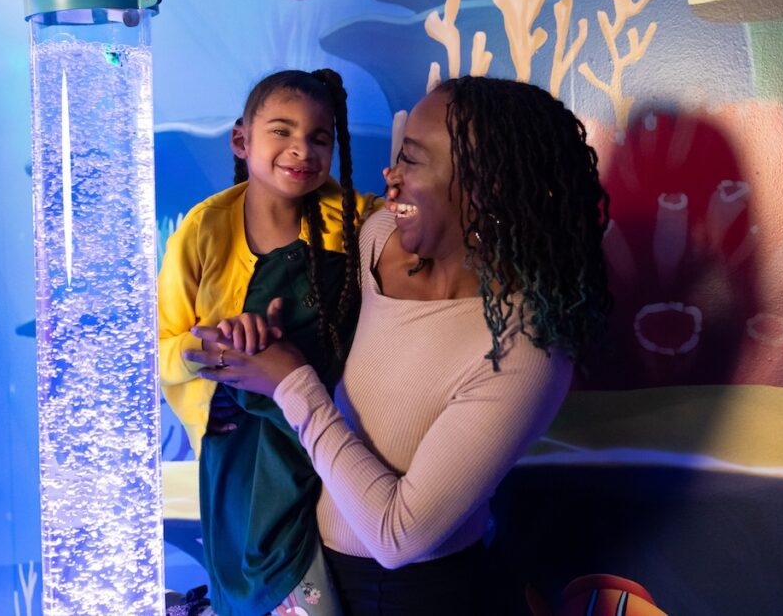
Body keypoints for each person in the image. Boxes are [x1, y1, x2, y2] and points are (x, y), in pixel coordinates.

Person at [185, 77, 613, 614]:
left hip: (416, 595)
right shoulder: (376, 240)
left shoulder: (526, 350)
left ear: (487, 188)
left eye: (411, 161)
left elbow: (397, 536)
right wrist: (265, 336)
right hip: (311, 564)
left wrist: (291, 382)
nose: (389, 177)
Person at [158, 69, 379, 615]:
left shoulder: (360, 223)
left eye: (319, 137)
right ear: (242, 140)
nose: (300, 149)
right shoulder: (204, 228)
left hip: (322, 434)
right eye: (281, 131)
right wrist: (209, 350)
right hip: (234, 448)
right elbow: (162, 345)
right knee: (245, 580)